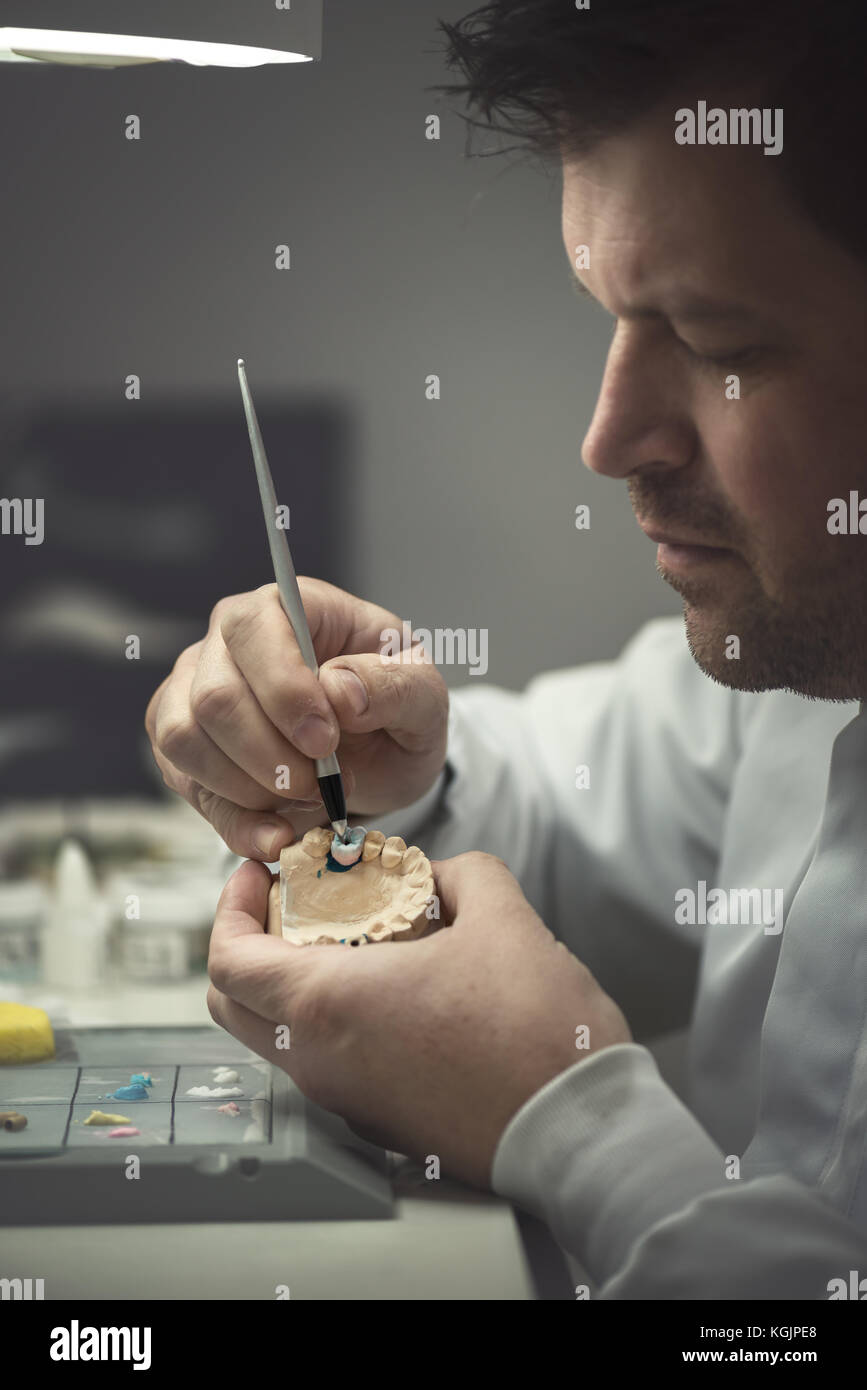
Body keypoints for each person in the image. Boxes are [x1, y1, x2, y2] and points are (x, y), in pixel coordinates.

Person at [145, 0, 867, 1297]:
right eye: (609, 313)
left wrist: (576, 1121)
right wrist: (381, 765)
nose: (609, 438)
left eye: (716, 344)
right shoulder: (813, 672)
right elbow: (597, 813)